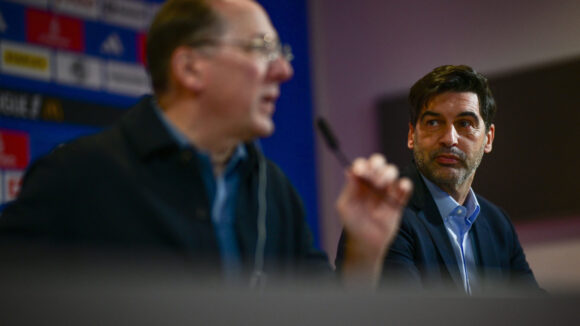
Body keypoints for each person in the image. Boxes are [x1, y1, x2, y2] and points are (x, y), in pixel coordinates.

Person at [0, 0, 412, 288]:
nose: (285, 70)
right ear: (190, 67)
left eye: (282, 53)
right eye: (263, 49)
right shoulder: (76, 177)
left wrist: (364, 249)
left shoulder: (274, 189)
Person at [338, 65, 540, 294]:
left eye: (465, 124)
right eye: (433, 123)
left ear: (488, 139)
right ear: (411, 135)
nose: (449, 139)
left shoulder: (497, 224)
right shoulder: (385, 215)